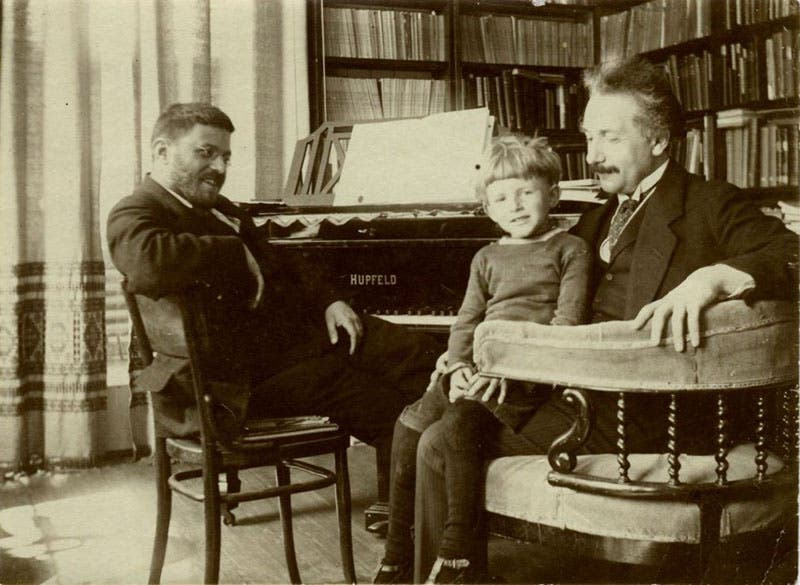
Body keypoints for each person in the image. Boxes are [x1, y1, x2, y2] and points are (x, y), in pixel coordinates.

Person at [411, 56, 799, 582]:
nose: (593, 155)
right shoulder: (594, 218)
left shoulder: (710, 203)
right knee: (435, 425)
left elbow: (790, 254)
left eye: (609, 139)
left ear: (660, 140)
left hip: (659, 409)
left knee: (440, 443)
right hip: (583, 394)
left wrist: (715, 276)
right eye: (589, 138)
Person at [107, 102, 441, 448]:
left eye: (225, 157)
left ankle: (465, 459)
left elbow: (284, 260)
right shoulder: (134, 211)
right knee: (377, 399)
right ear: (162, 152)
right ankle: (423, 487)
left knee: (414, 351)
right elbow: (148, 262)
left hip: (280, 350)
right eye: (206, 153)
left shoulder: (219, 208)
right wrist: (235, 251)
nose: (219, 167)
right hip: (228, 384)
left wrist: (331, 300)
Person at [373, 135, 591, 584]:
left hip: (528, 372)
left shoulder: (570, 250)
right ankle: (397, 553)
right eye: (501, 197)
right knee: (408, 425)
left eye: (526, 192)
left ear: (552, 193)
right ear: (488, 208)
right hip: (477, 367)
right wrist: (456, 366)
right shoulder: (486, 257)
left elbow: (565, 325)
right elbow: (466, 321)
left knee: (461, 424)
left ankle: (459, 549)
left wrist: (501, 367)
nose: (515, 205)